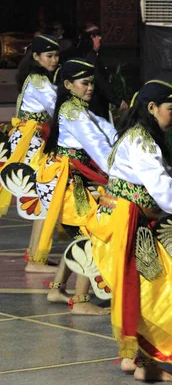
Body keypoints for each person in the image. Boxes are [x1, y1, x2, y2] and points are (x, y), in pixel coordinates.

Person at [88, 80, 172, 381]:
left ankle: (131, 357)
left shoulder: (140, 137)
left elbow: (168, 176)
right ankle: (146, 367)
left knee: (141, 292)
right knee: (162, 292)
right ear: (152, 108)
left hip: (123, 223)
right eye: (171, 110)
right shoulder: (141, 142)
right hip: (128, 226)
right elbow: (163, 192)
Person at [37, 58, 117, 315]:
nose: (90, 87)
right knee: (90, 235)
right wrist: (120, 171)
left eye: (92, 82)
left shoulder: (77, 108)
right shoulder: (73, 111)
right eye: (85, 83)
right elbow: (98, 145)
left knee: (78, 235)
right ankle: (81, 300)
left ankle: (57, 289)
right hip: (70, 184)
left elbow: (105, 130)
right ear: (69, 85)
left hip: (69, 181)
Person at [0, 34, 59, 273]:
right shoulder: (38, 81)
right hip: (31, 145)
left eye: (56, 55)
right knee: (46, 197)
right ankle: (36, 260)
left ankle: (36, 255)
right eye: (49, 55)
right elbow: (58, 107)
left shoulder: (37, 78)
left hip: (32, 142)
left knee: (44, 196)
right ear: (36, 57)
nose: (54, 60)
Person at [75, 24, 128, 119]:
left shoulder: (91, 55)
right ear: (91, 38)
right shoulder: (90, 58)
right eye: (96, 36)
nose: (100, 38)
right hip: (94, 106)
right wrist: (116, 101)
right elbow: (100, 82)